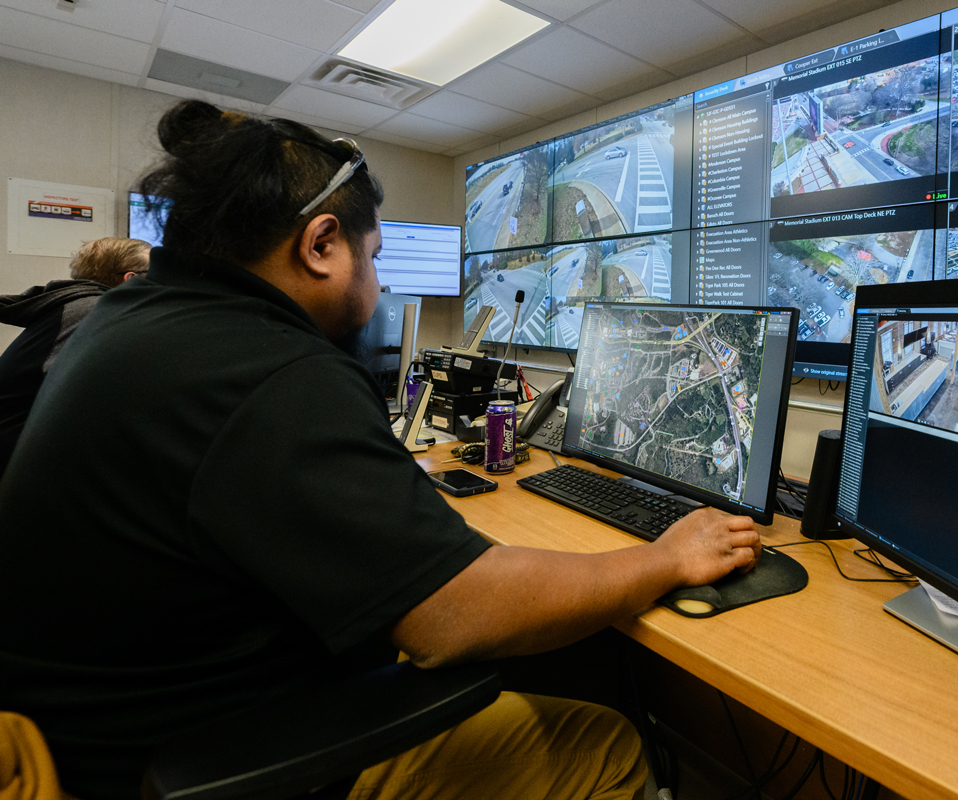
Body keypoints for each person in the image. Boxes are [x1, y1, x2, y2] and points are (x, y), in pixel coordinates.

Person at [0, 101, 760, 800]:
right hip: (210, 761)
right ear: (323, 244)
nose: (379, 278)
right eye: (377, 254)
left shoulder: (135, 320)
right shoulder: (266, 367)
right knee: (601, 741)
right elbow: (454, 620)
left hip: (100, 738)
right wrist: (666, 557)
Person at [0, 237, 150, 477]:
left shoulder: (73, 302)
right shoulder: (95, 310)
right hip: (20, 461)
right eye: (154, 275)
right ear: (131, 279)